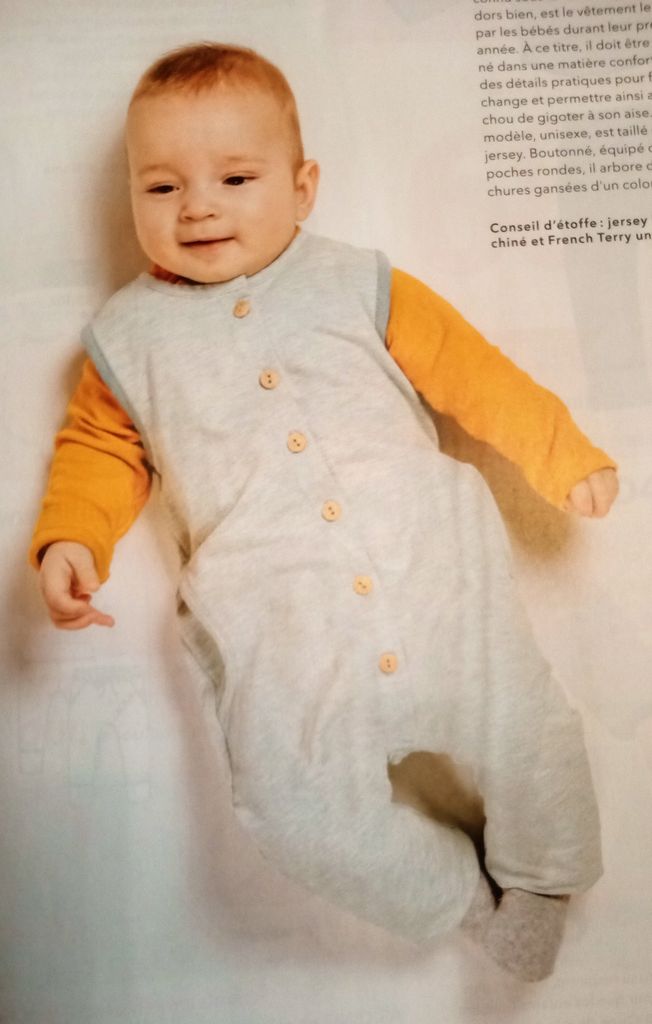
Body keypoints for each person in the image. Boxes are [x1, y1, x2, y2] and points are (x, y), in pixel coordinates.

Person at [29, 42, 619, 982]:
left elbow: (471, 369)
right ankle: (459, 899)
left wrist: (560, 451)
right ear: (131, 197)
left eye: (235, 178)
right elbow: (100, 450)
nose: (198, 207)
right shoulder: (126, 340)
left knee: (528, 731)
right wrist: (71, 536)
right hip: (281, 625)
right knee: (294, 815)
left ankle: (546, 880)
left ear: (303, 189)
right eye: (162, 187)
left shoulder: (356, 281)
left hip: (436, 580)